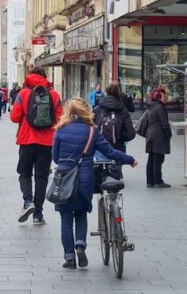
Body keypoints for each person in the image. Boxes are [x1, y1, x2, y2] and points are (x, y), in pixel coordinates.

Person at [53, 98, 137, 269]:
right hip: (85, 179)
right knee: (81, 214)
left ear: (68, 111)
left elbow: (55, 157)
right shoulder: (92, 131)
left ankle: (69, 258)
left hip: (65, 179)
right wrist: (130, 160)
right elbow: (110, 152)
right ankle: (80, 246)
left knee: (66, 218)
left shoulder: (60, 131)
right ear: (86, 111)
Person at [10, 67, 63, 225]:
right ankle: (38, 215)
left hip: (26, 140)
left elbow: (14, 117)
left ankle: (28, 202)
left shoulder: (23, 93)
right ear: (45, 77)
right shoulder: (53, 95)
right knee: (41, 177)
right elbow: (61, 118)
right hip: (46, 143)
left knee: (24, 173)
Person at [93, 82, 136, 153]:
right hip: (118, 149)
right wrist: (120, 138)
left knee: (100, 162)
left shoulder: (97, 109)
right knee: (116, 163)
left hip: (100, 147)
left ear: (106, 93)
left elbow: (90, 128)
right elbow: (130, 133)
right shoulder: (123, 111)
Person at [145, 88, 172, 188]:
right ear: (159, 97)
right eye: (164, 96)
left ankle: (150, 181)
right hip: (158, 136)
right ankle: (158, 181)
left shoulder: (151, 107)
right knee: (158, 158)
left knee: (151, 158)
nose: (166, 98)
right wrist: (168, 134)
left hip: (151, 134)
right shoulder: (160, 108)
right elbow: (164, 124)